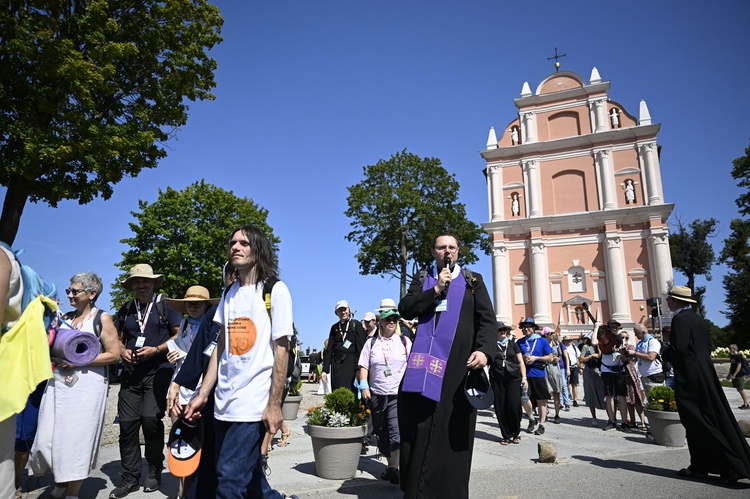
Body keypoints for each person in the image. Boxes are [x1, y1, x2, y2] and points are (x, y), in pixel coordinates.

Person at [183, 225, 298, 499]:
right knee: (253, 483)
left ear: (258, 250)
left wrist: (274, 405)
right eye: (232, 242)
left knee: (230, 483)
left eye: (243, 243)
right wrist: (203, 393)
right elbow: (220, 347)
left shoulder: (275, 290)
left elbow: (282, 350)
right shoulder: (229, 293)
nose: (235, 247)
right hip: (223, 404)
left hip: (252, 403)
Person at [397, 233, 496, 499]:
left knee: (453, 429)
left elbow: (487, 321)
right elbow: (405, 309)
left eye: (452, 247)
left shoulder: (472, 281)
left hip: (458, 368)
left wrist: (485, 351)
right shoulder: (423, 279)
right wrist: (437, 290)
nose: (447, 251)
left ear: (458, 252)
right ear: (433, 252)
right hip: (425, 368)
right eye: (442, 247)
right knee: (420, 426)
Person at [26, 273, 119, 499]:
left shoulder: (102, 319)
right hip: (58, 384)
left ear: (91, 294)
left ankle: (72, 493)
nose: (69, 294)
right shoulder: (64, 317)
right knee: (50, 437)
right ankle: (60, 483)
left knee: (76, 440)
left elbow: (114, 355)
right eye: (68, 290)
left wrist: (80, 359)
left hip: (86, 390)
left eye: (74, 291)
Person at [663, 285, 750, 483]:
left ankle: (730, 465)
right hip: (705, 373)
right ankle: (700, 466)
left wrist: (665, 351)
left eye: (669, 299)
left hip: (689, 376)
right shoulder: (698, 319)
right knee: (706, 418)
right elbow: (706, 347)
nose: (668, 302)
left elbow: (680, 350)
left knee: (697, 420)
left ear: (675, 301)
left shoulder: (680, 319)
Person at [110, 264, 183, 498]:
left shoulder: (166, 305)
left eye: (145, 281)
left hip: (159, 372)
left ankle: (153, 469)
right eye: (136, 282)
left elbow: (179, 334)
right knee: (128, 425)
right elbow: (118, 339)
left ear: (153, 283)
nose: (140, 285)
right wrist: (122, 352)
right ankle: (130, 477)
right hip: (131, 376)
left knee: (151, 420)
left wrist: (157, 349)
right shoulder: (126, 309)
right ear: (131, 285)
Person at [164, 285, 219, 499]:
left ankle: (198, 488)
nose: (193, 306)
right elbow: (178, 347)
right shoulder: (184, 324)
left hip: (202, 387)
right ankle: (182, 490)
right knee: (180, 441)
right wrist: (173, 354)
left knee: (201, 442)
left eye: (197, 302)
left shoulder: (215, 326)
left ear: (206, 305)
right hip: (180, 386)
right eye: (189, 302)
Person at [358, 308, 412, 485]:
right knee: (381, 433)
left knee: (396, 431)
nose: (392, 322)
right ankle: (390, 466)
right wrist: (364, 386)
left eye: (395, 319)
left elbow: (414, 365)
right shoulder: (371, 343)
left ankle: (394, 468)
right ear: (380, 322)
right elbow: (363, 366)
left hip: (398, 394)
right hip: (377, 394)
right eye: (388, 319)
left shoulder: (404, 341)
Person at [490, 322, 526, 445]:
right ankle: (506, 435)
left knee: (514, 406)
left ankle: (516, 432)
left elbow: (521, 362)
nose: (502, 331)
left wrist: (524, 378)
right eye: (500, 330)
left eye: (504, 329)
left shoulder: (513, 344)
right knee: (500, 407)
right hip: (497, 380)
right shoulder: (491, 346)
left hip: (513, 379)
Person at [516, 318, 553, 435]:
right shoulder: (520, 342)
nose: (526, 329)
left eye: (529, 326)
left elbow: (550, 357)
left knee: (541, 399)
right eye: (524, 327)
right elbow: (516, 357)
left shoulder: (542, 341)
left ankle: (542, 424)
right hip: (524, 375)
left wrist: (536, 358)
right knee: (524, 398)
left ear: (533, 328)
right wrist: (522, 358)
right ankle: (532, 418)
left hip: (538, 373)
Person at [322, 300, 365, 395]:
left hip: (351, 364)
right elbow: (329, 349)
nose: (343, 312)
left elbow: (361, 348)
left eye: (344, 309)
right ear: (336, 313)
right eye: (340, 310)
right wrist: (325, 370)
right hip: (337, 364)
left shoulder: (356, 325)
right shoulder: (334, 328)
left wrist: (359, 368)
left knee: (350, 391)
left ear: (349, 310)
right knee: (337, 391)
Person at [599, 321, 631, 433]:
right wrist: (595, 328)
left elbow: (624, 356)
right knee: (609, 396)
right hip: (607, 370)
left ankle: (624, 422)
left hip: (619, 370)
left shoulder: (620, 340)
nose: (614, 329)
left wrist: (622, 353)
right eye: (612, 328)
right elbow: (594, 342)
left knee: (622, 396)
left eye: (616, 328)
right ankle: (612, 421)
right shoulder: (602, 338)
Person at [619, 330, 646, 430]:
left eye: (625, 337)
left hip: (631, 374)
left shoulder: (630, 347)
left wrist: (622, 351)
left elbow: (629, 358)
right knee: (628, 400)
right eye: (621, 337)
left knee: (637, 399)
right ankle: (633, 421)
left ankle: (643, 422)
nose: (623, 339)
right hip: (622, 375)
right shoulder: (616, 348)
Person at [579, 334, 606, 426]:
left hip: (599, 371)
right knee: (590, 393)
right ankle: (594, 417)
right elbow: (581, 359)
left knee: (603, 394)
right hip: (589, 371)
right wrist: (591, 356)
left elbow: (600, 356)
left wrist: (598, 350)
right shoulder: (586, 347)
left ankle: (610, 417)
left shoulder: (602, 346)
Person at [631, 323, 664, 398]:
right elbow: (637, 358)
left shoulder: (652, 342)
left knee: (656, 400)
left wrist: (635, 353)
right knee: (649, 401)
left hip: (653, 376)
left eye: (637, 334)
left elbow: (650, 357)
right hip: (644, 376)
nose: (636, 336)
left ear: (643, 332)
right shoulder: (640, 343)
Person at [544, 328, 564, 424]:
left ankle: (557, 414)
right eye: (550, 333)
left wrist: (557, 359)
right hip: (546, 370)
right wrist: (550, 359)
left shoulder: (556, 344)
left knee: (557, 392)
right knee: (546, 394)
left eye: (553, 333)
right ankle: (545, 414)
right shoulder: (543, 344)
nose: (552, 335)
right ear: (546, 335)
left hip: (556, 370)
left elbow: (560, 355)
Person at [728, 344, 749, 410]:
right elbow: (732, 366)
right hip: (734, 375)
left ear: (734, 349)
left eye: (730, 348)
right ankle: (745, 404)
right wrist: (729, 374)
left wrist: (734, 374)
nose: (729, 350)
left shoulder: (738, 356)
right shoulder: (732, 357)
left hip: (739, 375)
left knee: (741, 389)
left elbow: (739, 366)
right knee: (738, 389)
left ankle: (746, 404)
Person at [563, 335, 580, 407]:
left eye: (569, 340)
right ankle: (567, 397)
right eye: (567, 340)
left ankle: (575, 400)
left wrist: (580, 368)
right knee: (566, 384)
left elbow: (578, 357)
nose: (569, 341)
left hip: (574, 366)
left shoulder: (574, 347)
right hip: (565, 367)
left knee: (575, 384)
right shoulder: (562, 348)